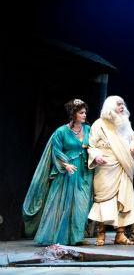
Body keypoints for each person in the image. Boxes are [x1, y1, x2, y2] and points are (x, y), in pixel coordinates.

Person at [22, 99, 94, 245]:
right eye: (81, 112)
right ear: (73, 114)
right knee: (62, 204)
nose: (84, 115)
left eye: (85, 112)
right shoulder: (61, 131)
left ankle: (76, 237)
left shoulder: (88, 129)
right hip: (66, 173)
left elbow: (94, 146)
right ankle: (56, 237)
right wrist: (65, 164)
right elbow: (55, 151)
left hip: (83, 171)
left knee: (81, 204)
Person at [87, 96, 134, 246]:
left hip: (124, 165)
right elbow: (91, 145)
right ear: (110, 106)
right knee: (104, 199)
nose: (122, 106)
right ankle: (101, 233)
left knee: (123, 199)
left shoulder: (126, 124)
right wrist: (96, 156)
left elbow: (132, 140)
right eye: (119, 104)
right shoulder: (99, 124)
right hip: (105, 166)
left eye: (123, 104)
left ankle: (120, 234)